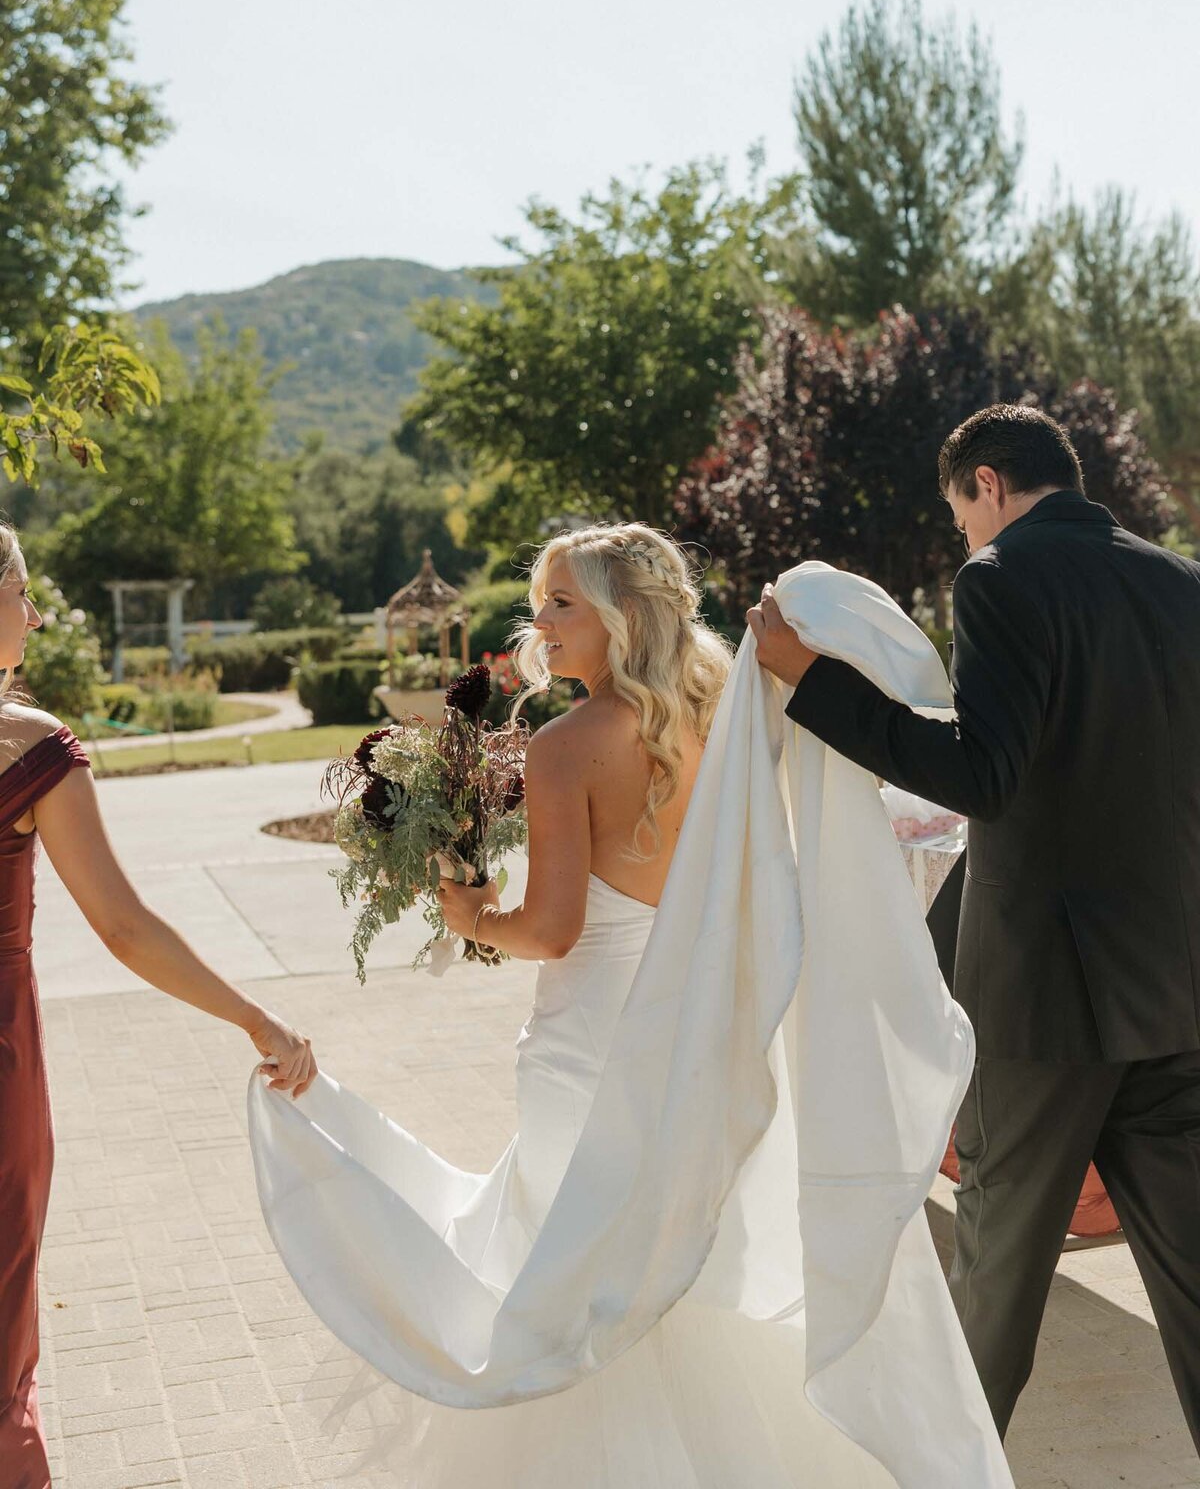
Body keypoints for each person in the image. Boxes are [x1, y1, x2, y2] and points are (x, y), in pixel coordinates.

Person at [250, 523, 1012, 1487]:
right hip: (704, 1027)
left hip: (590, 1042)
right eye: (540, 603)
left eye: (562, 603)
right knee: (689, 1260)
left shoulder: (568, 747)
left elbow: (555, 928)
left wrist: (470, 911)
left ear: (622, 616)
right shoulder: (730, 712)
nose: (540, 623)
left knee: (588, 1274)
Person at [748, 403, 1200, 1448]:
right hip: (1177, 986)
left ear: (986, 483)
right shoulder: (1181, 582)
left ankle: (947, 1472)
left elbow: (984, 774)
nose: (965, 537)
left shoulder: (1000, 581)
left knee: (996, 1283)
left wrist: (809, 681)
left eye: (961, 514)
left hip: (1048, 1006)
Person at [0, 522, 317, 1489]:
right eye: (22, 592)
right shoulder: (27, 745)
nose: (37, 611)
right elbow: (125, 927)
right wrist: (258, 1020)